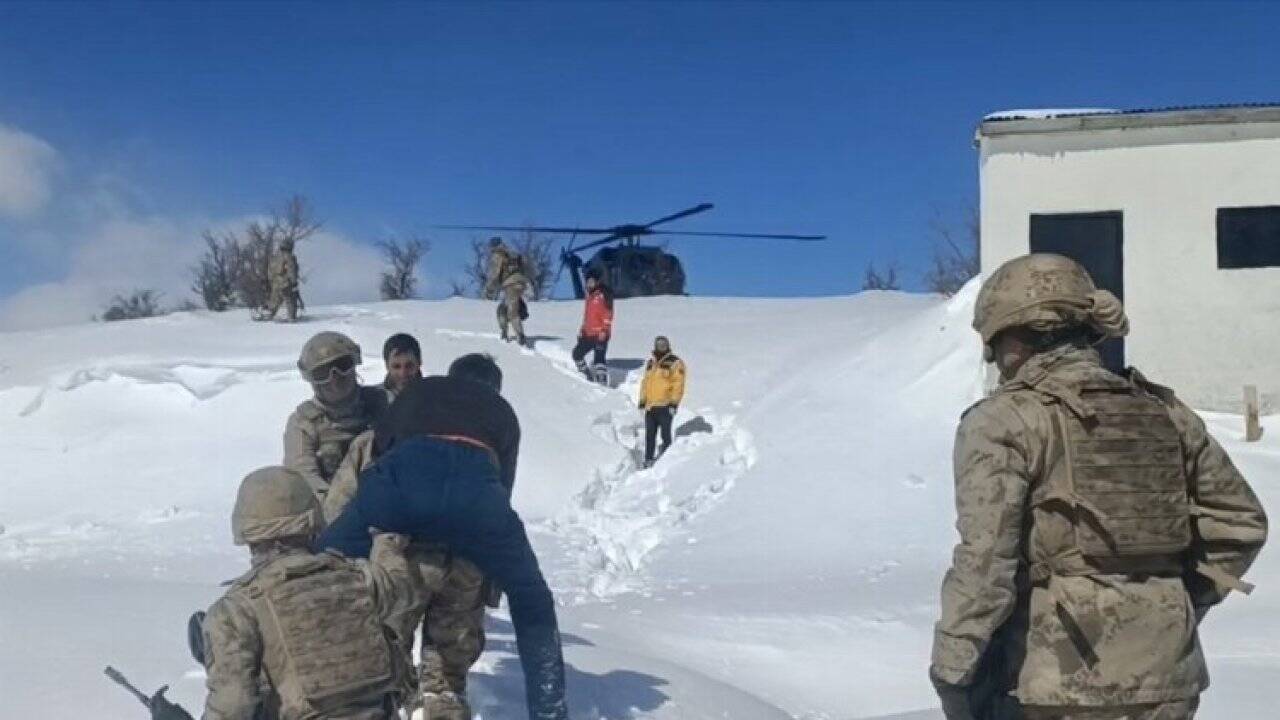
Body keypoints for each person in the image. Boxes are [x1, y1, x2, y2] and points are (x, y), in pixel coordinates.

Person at [930, 253, 1268, 720]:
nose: (994, 357)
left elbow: (986, 562)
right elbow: (1241, 523)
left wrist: (953, 667)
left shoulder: (1004, 420)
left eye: (997, 340)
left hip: (1058, 681)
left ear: (1022, 337)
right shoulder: (1164, 413)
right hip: (1169, 676)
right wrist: (1175, 599)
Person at [317, 354, 567, 720]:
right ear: (494, 388)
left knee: (319, 561)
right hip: (475, 500)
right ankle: (549, 711)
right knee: (533, 600)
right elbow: (502, 484)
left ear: (452, 375)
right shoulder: (501, 410)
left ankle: (257, 626)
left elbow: (379, 454)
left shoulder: (418, 391)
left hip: (400, 489)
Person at [199, 466, 421, 720]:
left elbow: (233, 707)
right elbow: (400, 585)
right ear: (312, 519)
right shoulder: (357, 577)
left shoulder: (236, 611)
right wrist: (386, 541)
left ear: (247, 531)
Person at [284, 331, 389, 499]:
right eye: (322, 373)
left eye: (342, 366)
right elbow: (304, 479)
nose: (334, 379)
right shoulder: (304, 423)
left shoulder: (383, 402)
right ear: (311, 379)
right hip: (337, 511)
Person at [637, 335, 685, 468]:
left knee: (665, 434)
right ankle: (648, 459)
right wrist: (642, 401)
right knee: (650, 435)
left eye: (664, 344)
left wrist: (674, 403)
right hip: (651, 407)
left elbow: (678, 384)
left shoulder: (675, 362)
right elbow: (645, 383)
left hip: (665, 406)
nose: (661, 347)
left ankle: (667, 459)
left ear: (668, 345)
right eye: (659, 344)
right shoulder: (651, 363)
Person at [484, 237, 530, 346]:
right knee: (507, 307)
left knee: (511, 311)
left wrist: (489, 290)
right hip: (521, 283)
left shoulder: (498, 256)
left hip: (510, 284)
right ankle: (506, 330)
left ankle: (519, 335)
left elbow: (494, 275)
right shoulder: (513, 254)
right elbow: (527, 267)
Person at [570, 272, 614, 384]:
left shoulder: (603, 294)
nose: (589, 284)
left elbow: (608, 314)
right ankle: (586, 374)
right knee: (577, 354)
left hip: (600, 334)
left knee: (599, 358)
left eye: (591, 281)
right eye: (587, 282)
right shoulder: (589, 296)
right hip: (588, 334)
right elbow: (587, 316)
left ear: (597, 282)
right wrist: (582, 329)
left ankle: (602, 382)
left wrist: (604, 330)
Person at [258, 237, 301, 322]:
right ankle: (291, 317)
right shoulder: (289, 257)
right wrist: (294, 282)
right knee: (290, 300)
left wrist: (269, 281)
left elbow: (269, 271)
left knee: (275, 300)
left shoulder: (274, 257)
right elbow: (291, 269)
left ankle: (268, 315)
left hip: (275, 282)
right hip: (286, 282)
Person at [382, 332, 423, 401]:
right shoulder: (373, 401)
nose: (403, 373)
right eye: (396, 366)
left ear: (419, 363)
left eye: (409, 366)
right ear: (387, 366)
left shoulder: (434, 400)